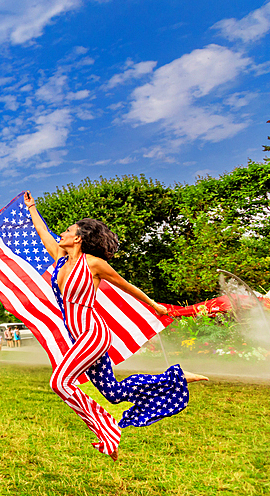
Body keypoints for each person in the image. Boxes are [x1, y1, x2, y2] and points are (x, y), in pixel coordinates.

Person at [24, 191, 207, 459]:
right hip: (79, 336)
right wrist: (32, 208)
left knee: (60, 382)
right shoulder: (61, 259)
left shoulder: (94, 264)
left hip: (92, 334)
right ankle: (176, 378)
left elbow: (127, 286)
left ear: (79, 238)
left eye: (67, 231)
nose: (61, 234)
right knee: (114, 392)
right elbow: (44, 236)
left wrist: (156, 306)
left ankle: (106, 427)